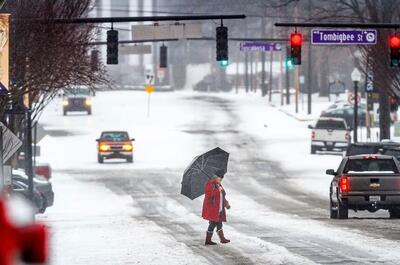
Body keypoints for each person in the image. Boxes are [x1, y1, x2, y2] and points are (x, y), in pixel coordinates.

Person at [202, 170, 230, 245]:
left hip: (219, 209)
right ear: (215, 177)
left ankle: (222, 239)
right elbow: (209, 194)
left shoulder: (219, 185)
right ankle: (209, 240)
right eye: (219, 178)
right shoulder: (209, 184)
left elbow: (222, 197)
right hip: (212, 209)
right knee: (213, 223)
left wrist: (226, 204)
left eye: (222, 179)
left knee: (219, 223)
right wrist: (218, 191)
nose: (221, 180)